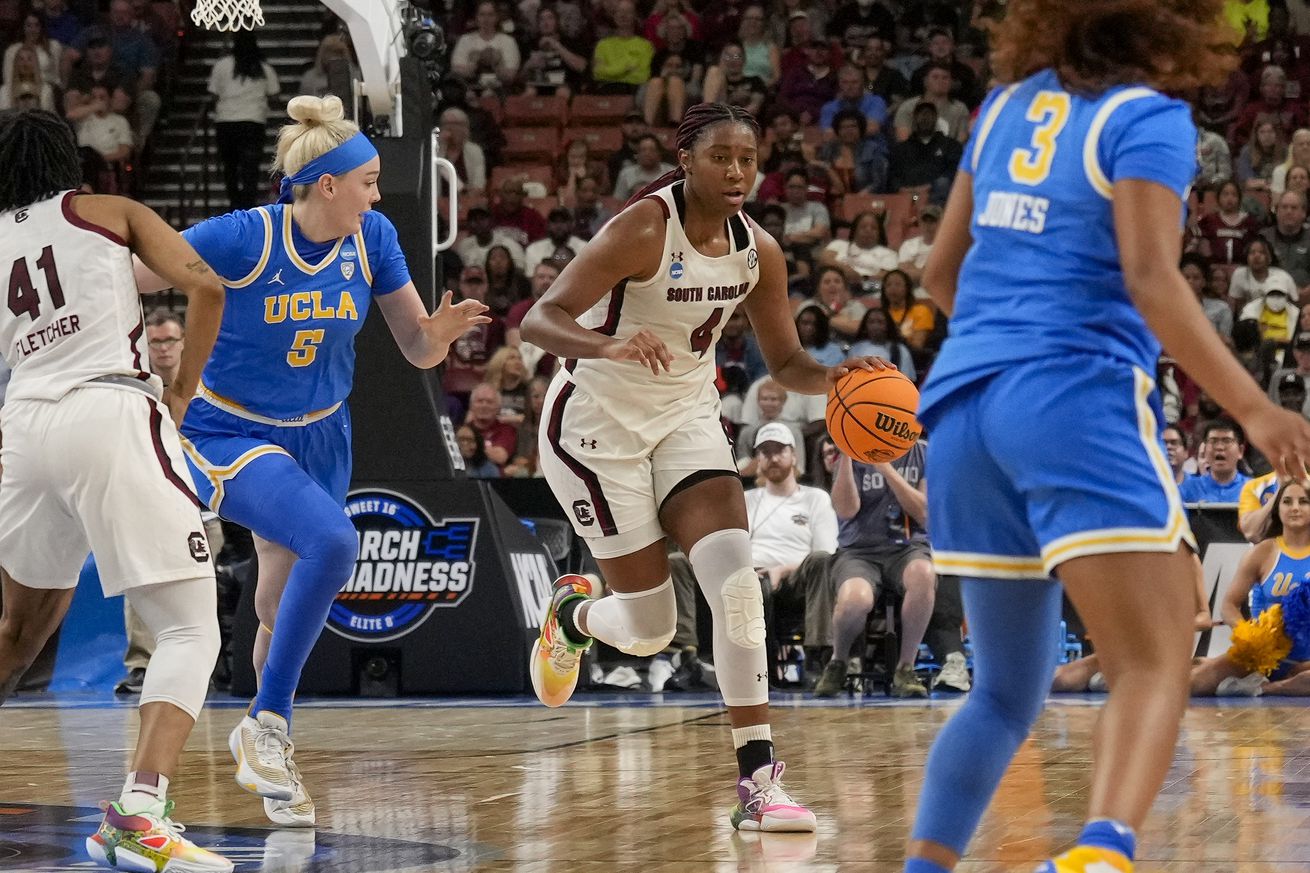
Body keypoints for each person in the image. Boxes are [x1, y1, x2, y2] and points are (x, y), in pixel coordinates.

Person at [903, 3, 1310, 872]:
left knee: (1005, 692)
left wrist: (1006, 346)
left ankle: (924, 867)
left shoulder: (1004, 105)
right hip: (1070, 396)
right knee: (1158, 658)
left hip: (962, 409)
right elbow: (1151, 277)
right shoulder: (1147, 118)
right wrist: (1256, 410)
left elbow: (940, 273)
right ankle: (1100, 854)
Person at [522, 102, 889, 833]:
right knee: (653, 627)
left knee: (739, 589)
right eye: (721, 156)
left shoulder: (759, 251)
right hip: (596, 426)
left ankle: (759, 783)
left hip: (687, 417)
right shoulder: (642, 229)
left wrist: (843, 377)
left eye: (748, 159)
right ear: (685, 159)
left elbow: (786, 361)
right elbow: (540, 319)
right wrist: (609, 347)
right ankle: (573, 613)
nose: (736, 171)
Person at [132, 94, 490, 828]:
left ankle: (270, 756)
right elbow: (134, 276)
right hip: (229, 430)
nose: (376, 194)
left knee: (275, 607)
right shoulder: (242, 237)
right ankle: (268, 723)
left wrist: (442, 333)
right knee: (334, 540)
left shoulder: (375, 237)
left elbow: (416, 346)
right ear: (327, 184)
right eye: (366, 182)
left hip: (323, 433)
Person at [0, 109, 230, 871]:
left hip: (25, 425)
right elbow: (206, 286)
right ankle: (139, 811)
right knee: (192, 627)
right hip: (107, 408)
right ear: (70, 160)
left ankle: (138, 813)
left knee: (17, 634)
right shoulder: (108, 210)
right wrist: (182, 394)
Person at [116, 310, 227, 696]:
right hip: (147, 502)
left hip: (200, 508)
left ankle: (203, 665)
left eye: (170, 341)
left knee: (199, 588)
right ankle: (142, 665)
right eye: (155, 342)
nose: (163, 349)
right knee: (140, 582)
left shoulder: (207, 386)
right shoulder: (132, 389)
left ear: (185, 342)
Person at [1188, 478, 1310, 696]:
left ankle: (1264, 688)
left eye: (1303, 502)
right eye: (1287, 501)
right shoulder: (1264, 551)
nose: (1295, 508)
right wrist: (1248, 635)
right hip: (1262, 655)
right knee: (1195, 684)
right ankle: (1115, 682)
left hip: (1307, 661)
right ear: (1276, 508)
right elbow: (1229, 605)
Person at [209, 31, 281, 211]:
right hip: (253, 121)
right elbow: (274, 95)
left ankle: (234, 202)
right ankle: (249, 205)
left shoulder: (222, 66)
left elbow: (213, 94)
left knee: (230, 165)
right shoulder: (264, 68)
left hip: (226, 121)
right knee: (251, 166)